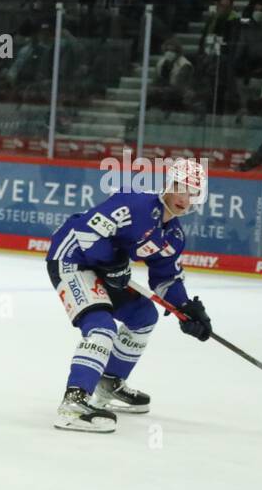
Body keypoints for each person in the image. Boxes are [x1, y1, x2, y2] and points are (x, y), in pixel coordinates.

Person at [45, 157, 213, 432]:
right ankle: (73, 403)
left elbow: (166, 277)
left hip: (104, 269)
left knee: (144, 315)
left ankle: (109, 382)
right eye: (180, 187)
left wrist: (186, 308)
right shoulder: (135, 203)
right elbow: (85, 230)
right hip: (71, 259)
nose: (185, 197)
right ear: (168, 184)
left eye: (192, 192)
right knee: (102, 327)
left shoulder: (173, 236)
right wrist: (111, 262)